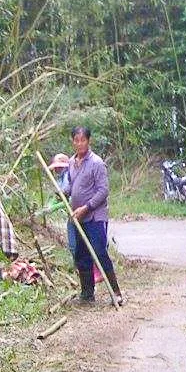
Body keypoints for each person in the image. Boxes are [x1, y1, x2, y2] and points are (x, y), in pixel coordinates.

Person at [66, 127, 123, 305]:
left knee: (99, 252)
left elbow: (103, 191)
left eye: (83, 140)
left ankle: (116, 293)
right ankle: (87, 294)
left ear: (88, 141)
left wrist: (86, 207)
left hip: (94, 216)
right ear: (73, 142)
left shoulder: (96, 163)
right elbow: (72, 186)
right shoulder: (71, 162)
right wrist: (62, 192)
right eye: (76, 140)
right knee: (81, 254)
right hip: (77, 217)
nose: (79, 143)